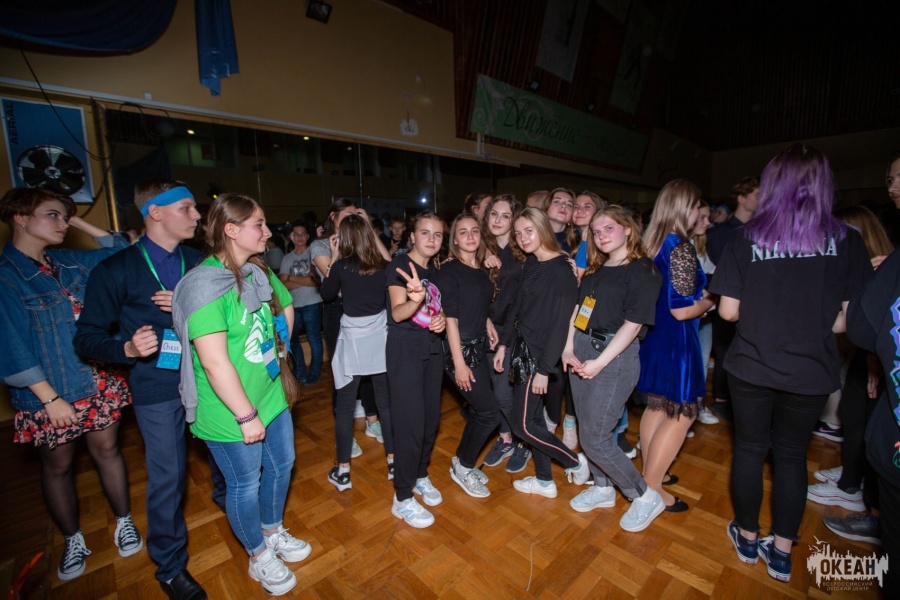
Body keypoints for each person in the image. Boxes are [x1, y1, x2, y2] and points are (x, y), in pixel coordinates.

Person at [710, 144, 870, 584]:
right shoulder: (847, 240)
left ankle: (746, 537)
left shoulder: (748, 237)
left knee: (749, 449)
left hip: (751, 365)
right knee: (792, 456)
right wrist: (811, 325)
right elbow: (850, 319)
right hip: (810, 369)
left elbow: (727, 312)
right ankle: (781, 553)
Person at [74, 179, 208, 599]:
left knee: (227, 454)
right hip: (156, 385)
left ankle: (239, 516)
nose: (197, 215)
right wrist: (127, 349)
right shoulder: (115, 270)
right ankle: (170, 566)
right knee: (169, 477)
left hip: (208, 376)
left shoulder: (199, 261)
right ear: (156, 212)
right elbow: (86, 337)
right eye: (187, 208)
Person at [171, 193, 309, 596]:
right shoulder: (203, 285)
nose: (267, 232)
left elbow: (285, 306)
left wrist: (280, 347)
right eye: (259, 224)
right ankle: (257, 554)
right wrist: (246, 416)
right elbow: (215, 363)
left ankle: (272, 530)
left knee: (282, 466)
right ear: (231, 230)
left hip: (270, 395)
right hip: (231, 410)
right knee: (244, 484)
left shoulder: (257, 271)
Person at [0, 187, 137, 582]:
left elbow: (119, 249)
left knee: (108, 451)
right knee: (58, 466)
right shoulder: (8, 276)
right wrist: (50, 399)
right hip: (50, 390)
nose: (61, 223)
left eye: (64, 217)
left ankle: (124, 521)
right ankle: (73, 538)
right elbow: (10, 346)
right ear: (20, 217)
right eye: (52, 215)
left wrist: (74, 218)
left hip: (95, 376)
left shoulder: (66, 261)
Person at [561, 205, 663, 530]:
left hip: (613, 357)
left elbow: (633, 325)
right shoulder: (596, 270)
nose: (601, 235)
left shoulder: (643, 269)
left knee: (596, 437)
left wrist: (599, 362)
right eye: (596, 231)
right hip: (582, 350)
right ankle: (603, 488)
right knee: (588, 429)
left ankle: (644, 496)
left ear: (628, 229)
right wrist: (568, 347)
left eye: (609, 228)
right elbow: (580, 310)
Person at [493, 208, 589, 498]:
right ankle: (545, 480)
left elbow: (561, 324)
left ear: (543, 229)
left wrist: (544, 370)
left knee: (522, 426)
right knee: (533, 421)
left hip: (539, 357)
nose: (523, 238)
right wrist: (503, 345)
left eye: (529, 231)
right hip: (522, 349)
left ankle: (574, 462)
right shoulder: (532, 262)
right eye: (518, 233)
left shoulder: (561, 269)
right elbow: (518, 309)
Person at [636, 179, 715, 513]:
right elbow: (682, 309)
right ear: (684, 207)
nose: (700, 213)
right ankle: (652, 487)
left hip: (655, 337)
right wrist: (710, 300)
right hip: (677, 341)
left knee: (658, 408)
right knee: (682, 412)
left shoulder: (651, 243)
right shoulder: (680, 247)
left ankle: (652, 473)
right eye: (697, 206)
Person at [320, 214, 394, 490]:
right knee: (386, 405)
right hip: (379, 339)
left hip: (352, 341)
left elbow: (327, 294)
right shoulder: (383, 267)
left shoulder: (340, 267)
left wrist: (333, 255)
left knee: (344, 408)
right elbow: (391, 270)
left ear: (344, 239)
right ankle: (393, 463)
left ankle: (343, 471)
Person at [386, 211, 447, 528]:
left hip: (431, 350)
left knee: (429, 421)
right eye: (425, 233)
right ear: (412, 235)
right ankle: (402, 497)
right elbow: (398, 313)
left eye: (438, 234)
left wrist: (440, 319)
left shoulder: (434, 270)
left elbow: (435, 307)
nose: (431, 239)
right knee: (410, 424)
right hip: (405, 351)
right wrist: (415, 301)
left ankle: (420, 474)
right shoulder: (399, 266)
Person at [441, 214, 500, 498]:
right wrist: (459, 364)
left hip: (478, 345)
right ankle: (463, 467)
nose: (469, 236)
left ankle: (462, 461)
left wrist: (486, 321)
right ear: (454, 239)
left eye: (474, 231)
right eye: (462, 232)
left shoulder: (479, 268)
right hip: (460, 350)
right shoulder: (449, 270)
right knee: (490, 414)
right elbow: (450, 319)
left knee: (481, 411)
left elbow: (475, 302)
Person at [480, 195, 531, 473]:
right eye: (494, 214)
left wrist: (504, 341)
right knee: (491, 391)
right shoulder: (479, 247)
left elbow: (520, 304)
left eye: (505, 216)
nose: (498, 220)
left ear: (514, 220)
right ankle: (506, 438)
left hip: (513, 331)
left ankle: (524, 441)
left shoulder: (523, 253)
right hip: (485, 328)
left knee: (505, 393)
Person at [706, 176, 760, 420]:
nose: (762, 200)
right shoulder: (720, 233)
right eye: (757, 195)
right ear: (741, 197)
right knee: (725, 351)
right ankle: (721, 400)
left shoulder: (762, 232)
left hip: (753, 303)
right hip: (724, 299)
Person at [279, 221, 323, 385]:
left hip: (313, 302)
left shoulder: (314, 253)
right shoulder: (287, 258)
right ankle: (300, 373)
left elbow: (315, 281)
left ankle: (314, 374)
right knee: (292, 339)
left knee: (314, 339)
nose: (299, 237)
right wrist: (305, 280)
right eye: (296, 234)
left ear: (307, 236)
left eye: (302, 234)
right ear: (291, 236)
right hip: (293, 305)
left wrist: (291, 278)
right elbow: (282, 284)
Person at [692, 201, 720, 427]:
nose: (707, 222)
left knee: (701, 364)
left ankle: (697, 407)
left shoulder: (701, 245)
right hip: (685, 318)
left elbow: (715, 273)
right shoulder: (675, 245)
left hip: (704, 317)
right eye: (702, 217)